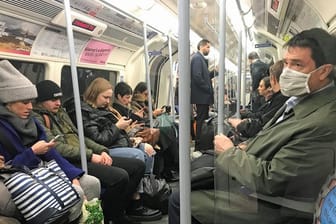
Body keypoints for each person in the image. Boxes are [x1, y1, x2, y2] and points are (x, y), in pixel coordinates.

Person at [169, 28, 336, 224]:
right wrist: (245, 147)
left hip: (276, 206)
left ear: (324, 71)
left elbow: (274, 180)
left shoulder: (323, 122)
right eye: (286, 63)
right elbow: (274, 138)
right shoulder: (302, 100)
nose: (288, 71)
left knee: (181, 200)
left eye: (297, 64)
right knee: (194, 178)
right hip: (257, 182)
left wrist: (230, 153)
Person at [32, 80, 153, 224]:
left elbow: (79, 137)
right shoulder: (38, 118)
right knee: (120, 177)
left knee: (137, 166)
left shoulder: (61, 113)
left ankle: (117, 212)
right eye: (53, 100)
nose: (58, 103)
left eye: (59, 99)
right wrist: (91, 155)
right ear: (40, 102)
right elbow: (57, 147)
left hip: (85, 154)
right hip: (71, 161)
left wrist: (101, 150)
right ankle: (110, 216)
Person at [0, 60, 101, 223]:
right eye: (24, 102)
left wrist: (72, 175)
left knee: (91, 183)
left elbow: (51, 152)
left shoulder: (32, 122)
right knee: (75, 193)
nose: (30, 107)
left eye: (31, 102)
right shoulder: (3, 129)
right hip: (19, 178)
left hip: (43, 171)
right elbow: (7, 169)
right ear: (7, 103)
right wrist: (33, 152)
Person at [66, 78, 162, 221]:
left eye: (109, 98)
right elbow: (99, 138)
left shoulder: (103, 109)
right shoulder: (84, 112)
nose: (107, 101)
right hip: (106, 147)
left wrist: (130, 137)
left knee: (148, 151)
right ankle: (130, 203)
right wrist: (118, 127)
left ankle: (137, 199)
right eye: (105, 97)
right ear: (94, 94)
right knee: (138, 157)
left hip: (116, 142)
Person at [131, 81, 179, 181]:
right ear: (138, 93)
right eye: (145, 94)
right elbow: (142, 120)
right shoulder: (134, 105)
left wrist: (152, 107)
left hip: (149, 127)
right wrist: (153, 113)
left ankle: (169, 169)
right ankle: (174, 166)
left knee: (172, 131)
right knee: (169, 133)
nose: (147, 96)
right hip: (143, 129)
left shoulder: (146, 103)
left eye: (149, 94)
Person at [228, 61, 288, 139]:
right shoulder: (278, 99)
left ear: (272, 79)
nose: (258, 89)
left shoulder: (280, 99)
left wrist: (241, 124)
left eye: (261, 86)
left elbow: (263, 125)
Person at [191, 39, 215, 151]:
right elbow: (197, 77)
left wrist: (215, 72)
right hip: (201, 96)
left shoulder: (201, 59)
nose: (209, 49)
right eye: (208, 47)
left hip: (203, 96)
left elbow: (203, 77)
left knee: (203, 119)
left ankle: (202, 143)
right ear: (201, 46)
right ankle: (199, 145)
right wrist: (208, 89)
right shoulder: (197, 58)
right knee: (201, 120)